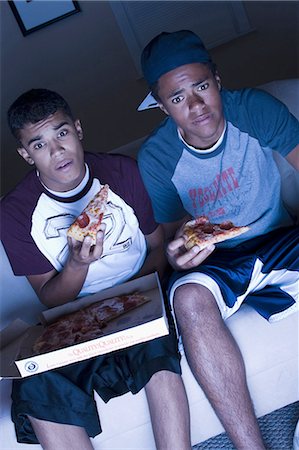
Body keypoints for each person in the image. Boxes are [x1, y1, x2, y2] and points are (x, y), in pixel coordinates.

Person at [0, 88, 191, 450]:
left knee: (155, 348)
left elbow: (156, 248)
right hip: (72, 319)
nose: (57, 151)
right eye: (39, 145)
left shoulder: (122, 172)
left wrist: (128, 301)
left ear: (78, 129)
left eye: (61, 133)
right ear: (26, 154)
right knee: (35, 384)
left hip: (141, 295)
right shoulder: (14, 213)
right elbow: (49, 297)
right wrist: (77, 264)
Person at [138, 30, 299, 450]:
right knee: (186, 298)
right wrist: (178, 256)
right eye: (177, 98)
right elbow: (173, 243)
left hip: (277, 237)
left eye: (202, 87)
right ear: (160, 105)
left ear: (217, 78)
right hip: (218, 261)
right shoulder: (156, 159)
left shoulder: (255, 110)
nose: (196, 107)